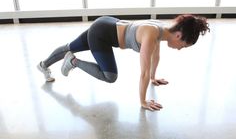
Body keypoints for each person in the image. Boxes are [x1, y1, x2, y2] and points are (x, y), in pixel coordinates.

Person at [37, 15, 210, 111]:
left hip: (105, 23)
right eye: (183, 46)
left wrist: (153, 77)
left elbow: (155, 56)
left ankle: (43, 65)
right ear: (179, 36)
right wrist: (143, 101)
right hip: (102, 35)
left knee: (70, 45)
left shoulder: (161, 29)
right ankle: (73, 61)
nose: (180, 49)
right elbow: (143, 70)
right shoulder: (151, 35)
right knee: (110, 76)